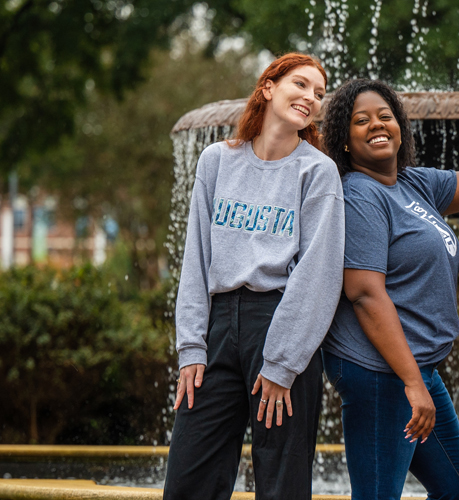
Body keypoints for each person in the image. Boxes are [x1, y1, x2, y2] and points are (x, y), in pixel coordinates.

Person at [318, 79, 459, 500]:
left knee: (458, 487)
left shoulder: (412, 184)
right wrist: (413, 385)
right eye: (361, 121)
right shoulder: (360, 195)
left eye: (385, 116)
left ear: (400, 125)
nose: (376, 126)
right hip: (380, 372)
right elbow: (364, 294)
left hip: (413, 370)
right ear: (344, 141)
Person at [167, 53, 341, 500]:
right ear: (268, 87)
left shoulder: (317, 171)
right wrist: (191, 347)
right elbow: (196, 257)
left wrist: (282, 363)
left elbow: (318, 274)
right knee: (190, 476)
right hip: (218, 326)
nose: (311, 98)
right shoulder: (216, 161)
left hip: (281, 324)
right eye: (300, 85)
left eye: (319, 93)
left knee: (282, 481)